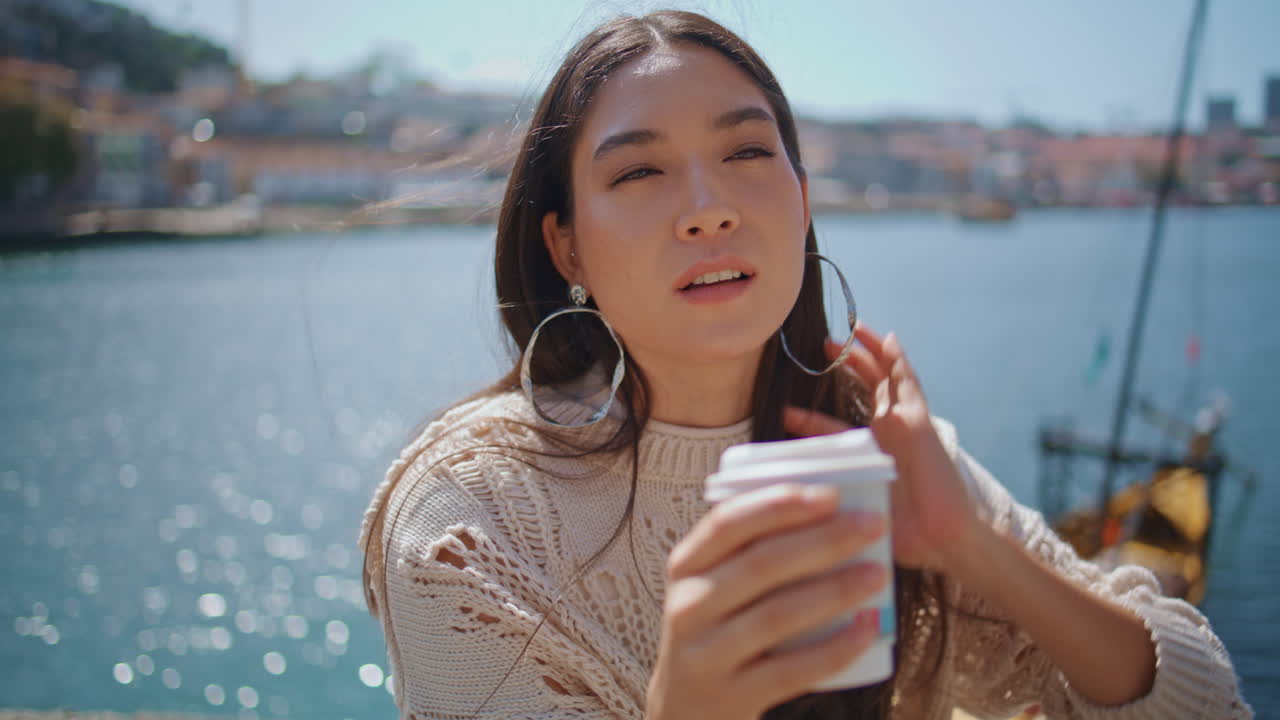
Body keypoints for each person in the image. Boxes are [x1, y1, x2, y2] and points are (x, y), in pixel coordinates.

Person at [359, 11, 1251, 720]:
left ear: (801, 198)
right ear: (568, 249)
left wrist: (967, 547)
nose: (707, 211)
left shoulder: (879, 449)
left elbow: (1205, 706)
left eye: (747, 153)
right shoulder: (471, 516)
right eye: (639, 174)